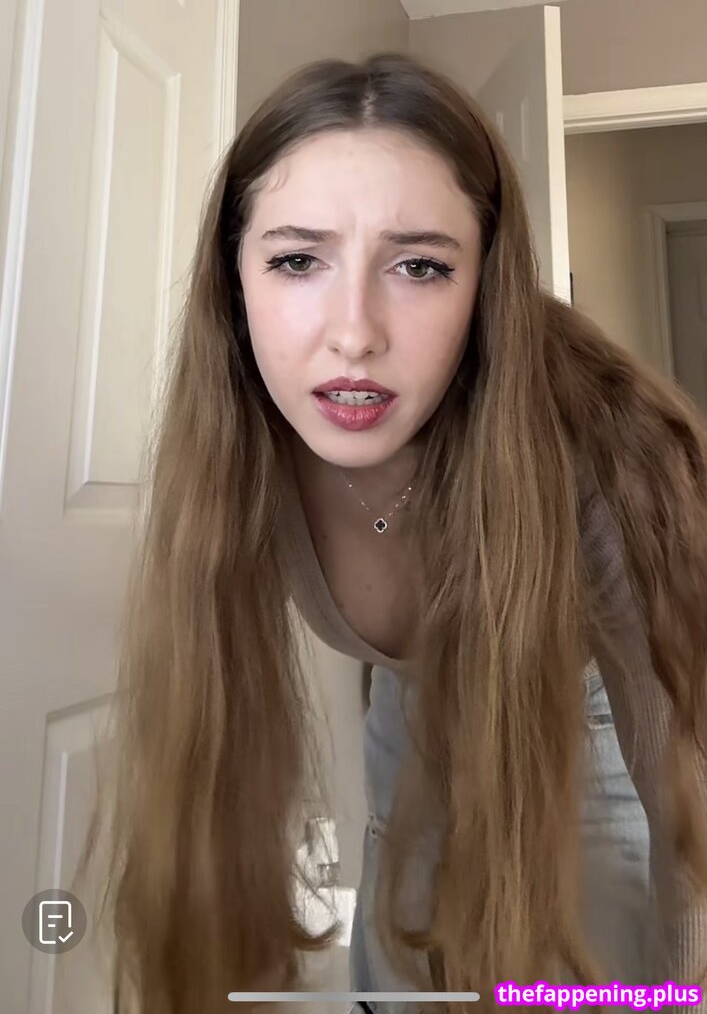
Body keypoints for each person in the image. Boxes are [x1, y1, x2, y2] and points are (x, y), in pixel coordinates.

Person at [84, 53, 707, 1014]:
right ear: (234, 279)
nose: (354, 334)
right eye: (297, 260)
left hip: (580, 731)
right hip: (404, 714)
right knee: (405, 965)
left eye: (418, 266)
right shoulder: (238, 440)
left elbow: (686, 805)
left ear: (484, 286)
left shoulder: (615, 451)